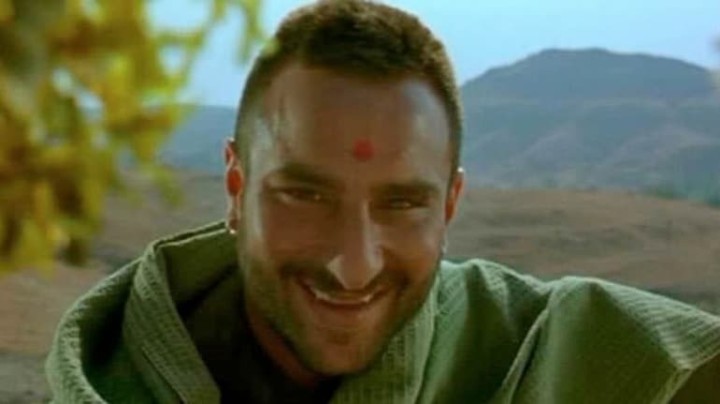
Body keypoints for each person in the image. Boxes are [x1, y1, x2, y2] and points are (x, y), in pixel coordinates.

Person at [46, 1, 720, 403]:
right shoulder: (110, 373)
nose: (354, 266)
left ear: (450, 205)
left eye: (401, 204)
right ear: (237, 187)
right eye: (305, 194)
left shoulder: (567, 352)